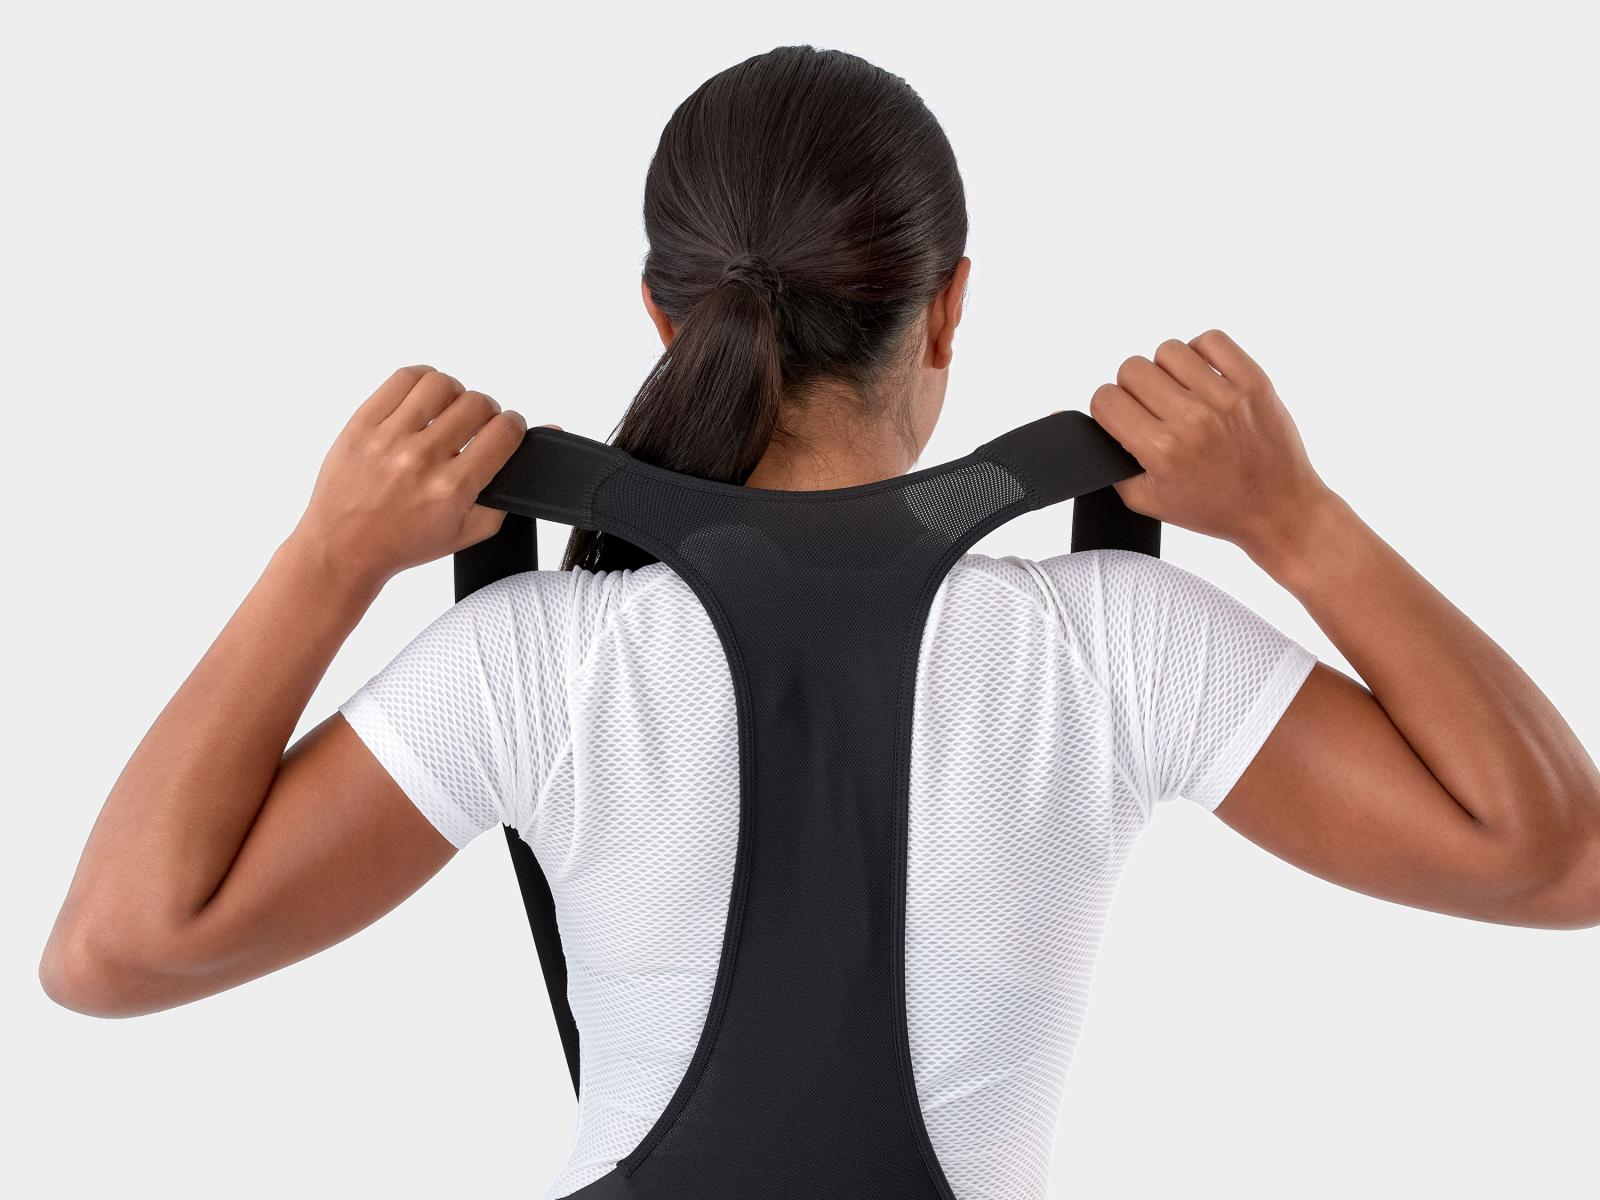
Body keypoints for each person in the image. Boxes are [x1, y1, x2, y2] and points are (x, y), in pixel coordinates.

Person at [39, 43, 1600, 1200]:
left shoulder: (539, 662)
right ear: (948, 306)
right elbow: (1555, 862)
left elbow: (111, 955)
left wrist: (328, 560)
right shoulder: (1114, 643)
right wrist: (1294, 519)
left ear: (663, 316)